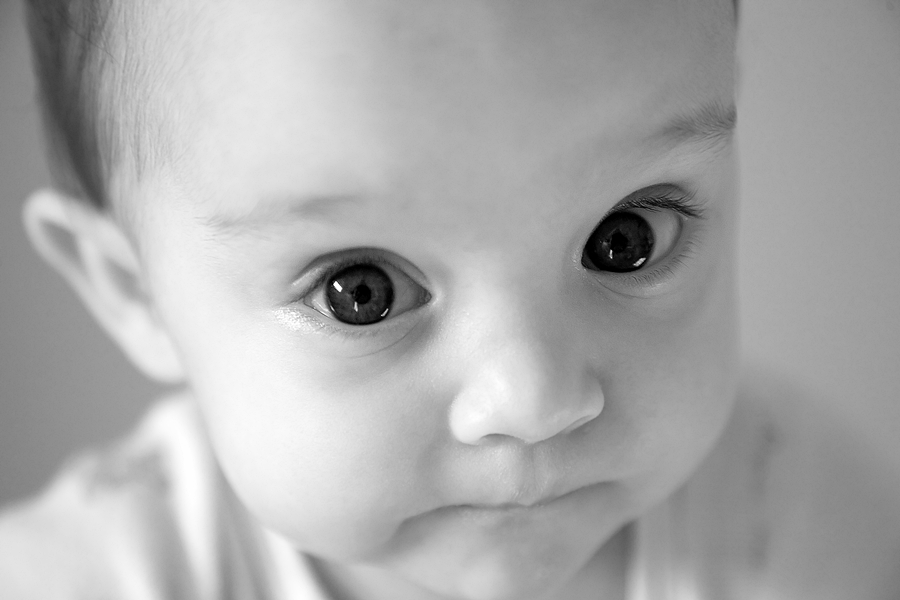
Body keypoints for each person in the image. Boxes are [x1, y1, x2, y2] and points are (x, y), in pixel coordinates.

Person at [1, 0, 898, 598]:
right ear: (135, 292)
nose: (537, 401)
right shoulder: (79, 580)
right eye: (364, 292)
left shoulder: (794, 514)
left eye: (624, 239)